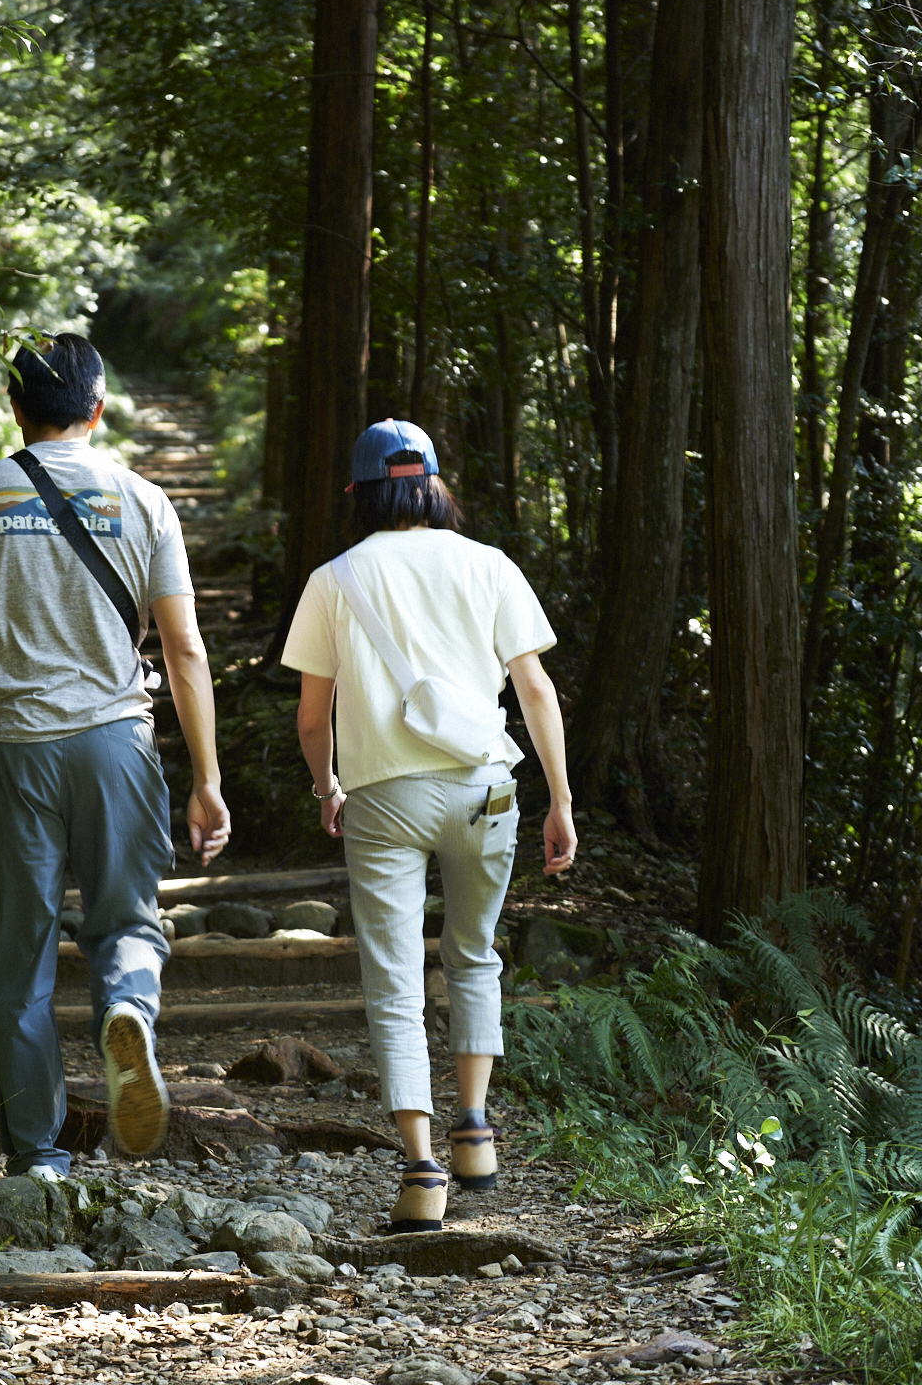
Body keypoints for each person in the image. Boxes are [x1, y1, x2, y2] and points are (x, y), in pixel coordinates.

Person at [0, 335, 231, 1178]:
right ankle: (126, 1009)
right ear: (99, 407)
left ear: (14, 409)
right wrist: (206, 779)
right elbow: (186, 650)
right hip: (116, 746)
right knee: (125, 922)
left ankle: (39, 1156)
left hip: (14, 751)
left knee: (22, 952)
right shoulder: (144, 500)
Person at [281, 419, 576, 1234]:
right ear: (434, 484)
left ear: (361, 493)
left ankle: (420, 1173)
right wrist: (559, 798)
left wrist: (326, 785)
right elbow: (536, 691)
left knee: (395, 979)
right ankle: (476, 1133)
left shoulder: (334, 579)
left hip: (384, 798)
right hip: (486, 788)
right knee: (474, 955)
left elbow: (313, 718)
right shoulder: (489, 565)